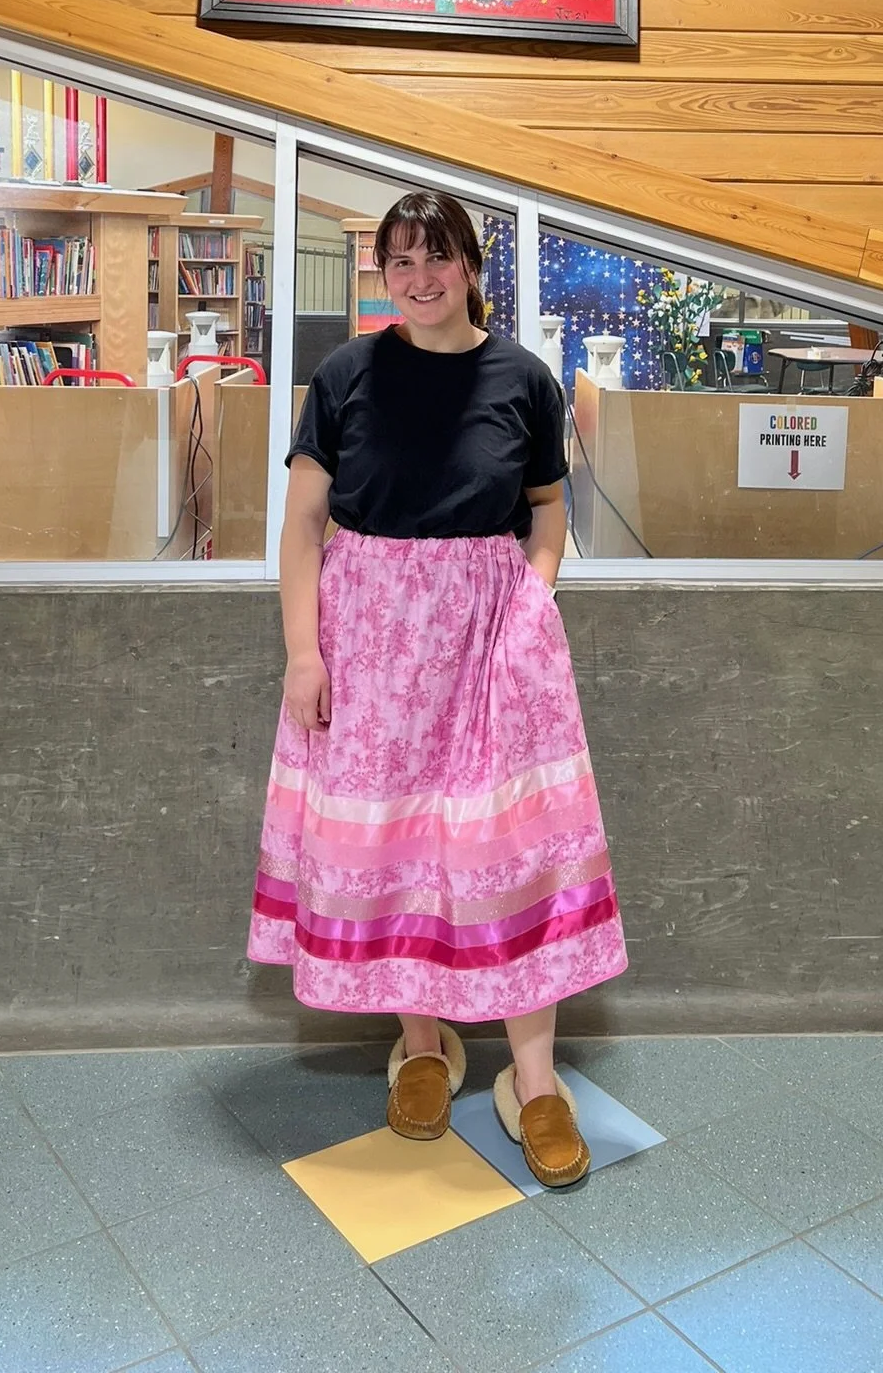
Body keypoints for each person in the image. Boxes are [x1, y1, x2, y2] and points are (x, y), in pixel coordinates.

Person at [247, 187, 627, 1187]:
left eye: (437, 257)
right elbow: (300, 528)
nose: (418, 279)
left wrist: (532, 605)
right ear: (383, 272)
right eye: (399, 261)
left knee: (510, 849)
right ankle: (423, 1041)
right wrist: (303, 651)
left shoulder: (525, 380)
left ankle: (536, 1078)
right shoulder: (343, 375)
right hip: (368, 637)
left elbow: (547, 513)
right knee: (398, 839)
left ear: (469, 265)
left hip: (494, 638)